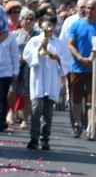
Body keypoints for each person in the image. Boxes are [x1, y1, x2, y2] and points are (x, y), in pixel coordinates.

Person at [22, 14, 72, 151]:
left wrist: (58, 58)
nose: (49, 28)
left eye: (51, 25)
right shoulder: (34, 40)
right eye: (46, 25)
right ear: (41, 25)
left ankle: (45, 138)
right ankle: (34, 138)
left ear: (55, 26)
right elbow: (28, 56)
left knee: (48, 112)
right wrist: (41, 45)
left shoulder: (60, 43)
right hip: (38, 79)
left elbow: (67, 61)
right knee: (36, 110)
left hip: (51, 79)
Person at [67, 0, 96, 138]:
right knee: (76, 99)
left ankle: (90, 127)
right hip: (77, 68)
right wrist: (80, 58)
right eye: (87, 8)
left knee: (92, 100)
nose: (89, 11)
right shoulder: (76, 24)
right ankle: (77, 123)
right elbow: (70, 44)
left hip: (93, 69)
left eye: (92, 8)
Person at [9, 9, 39, 129]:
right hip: (16, 65)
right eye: (26, 18)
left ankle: (25, 119)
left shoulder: (37, 35)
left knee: (28, 93)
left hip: (30, 67)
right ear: (21, 20)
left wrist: (28, 57)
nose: (28, 21)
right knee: (11, 90)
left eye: (31, 19)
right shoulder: (15, 34)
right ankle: (13, 111)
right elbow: (10, 49)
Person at [0, 15, 18, 131]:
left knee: (1, 97)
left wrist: (15, 71)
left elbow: (15, 55)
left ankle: (1, 120)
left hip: (5, 71)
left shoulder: (10, 37)